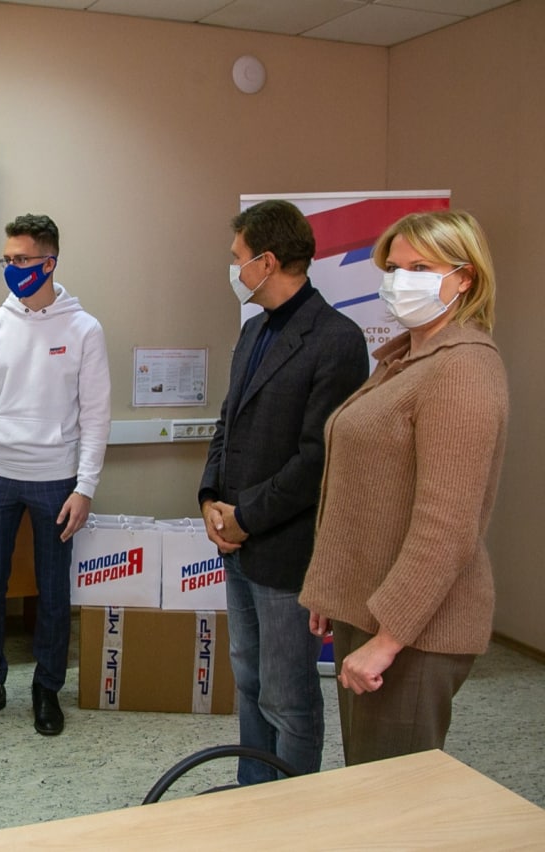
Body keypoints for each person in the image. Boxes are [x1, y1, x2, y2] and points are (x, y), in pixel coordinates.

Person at [301, 210, 508, 765]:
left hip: (416, 631)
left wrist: (387, 640)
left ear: (464, 278)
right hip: (371, 608)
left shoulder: (461, 369)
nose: (399, 281)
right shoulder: (406, 360)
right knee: (367, 772)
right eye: (393, 268)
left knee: (391, 785)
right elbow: (366, 491)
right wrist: (335, 589)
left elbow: (447, 527)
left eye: (420, 268)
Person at [198, 199, 369, 785]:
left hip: (286, 549)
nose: (234, 269)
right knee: (249, 680)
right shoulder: (253, 330)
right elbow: (228, 423)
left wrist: (245, 517)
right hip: (236, 543)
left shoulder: (337, 339)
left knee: (288, 694)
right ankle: (254, 792)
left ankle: (295, 808)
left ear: (267, 261)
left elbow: (317, 459)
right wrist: (209, 500)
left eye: (238, 258)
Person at [0, 213, 111, 736]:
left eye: (21, 259)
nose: (12, 267)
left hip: (56, 480)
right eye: (8, 259)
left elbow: (96, 415)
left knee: (52, 591)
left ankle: (47, 688)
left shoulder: (84, 329)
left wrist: (85, 487)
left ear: (49, 262)